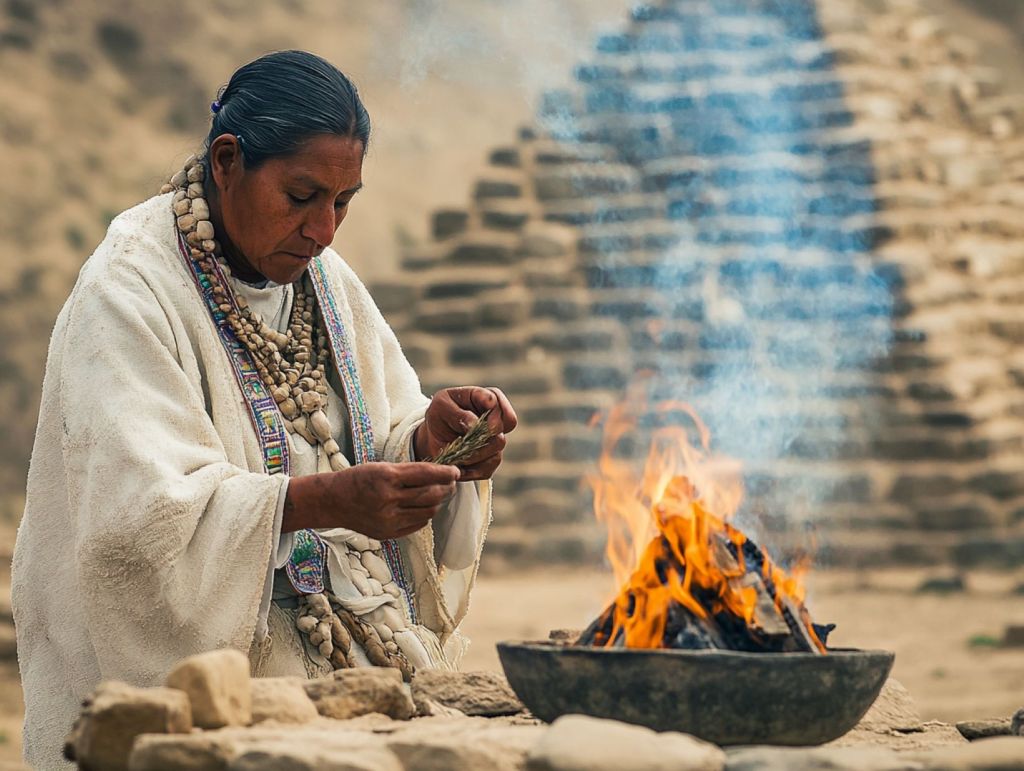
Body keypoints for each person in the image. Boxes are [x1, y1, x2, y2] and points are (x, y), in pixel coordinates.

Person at [12, 50, 517, 769]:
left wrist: (428, 443)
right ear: (226, 160)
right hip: (207, 705)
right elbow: (137, 525)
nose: (325, 229)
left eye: (343, 202)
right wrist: (318, 502)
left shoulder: (322, 279)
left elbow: (369, 434)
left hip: (349, 673)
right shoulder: (128, 291)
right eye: (303, 194)